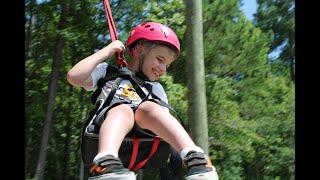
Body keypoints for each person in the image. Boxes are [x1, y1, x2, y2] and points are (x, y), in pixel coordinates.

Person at [67, 22, 218, 180]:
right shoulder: (107, 72)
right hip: (101, 136)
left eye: (167, 65)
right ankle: (105, 161)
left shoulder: (155, 88)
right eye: (160, 59)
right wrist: (108, 50)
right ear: (139, 49)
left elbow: (162, 123)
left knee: (148, 108)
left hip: (144, 141)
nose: (163, 69)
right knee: (122, 110)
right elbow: (74, 77)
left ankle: (194, 156)